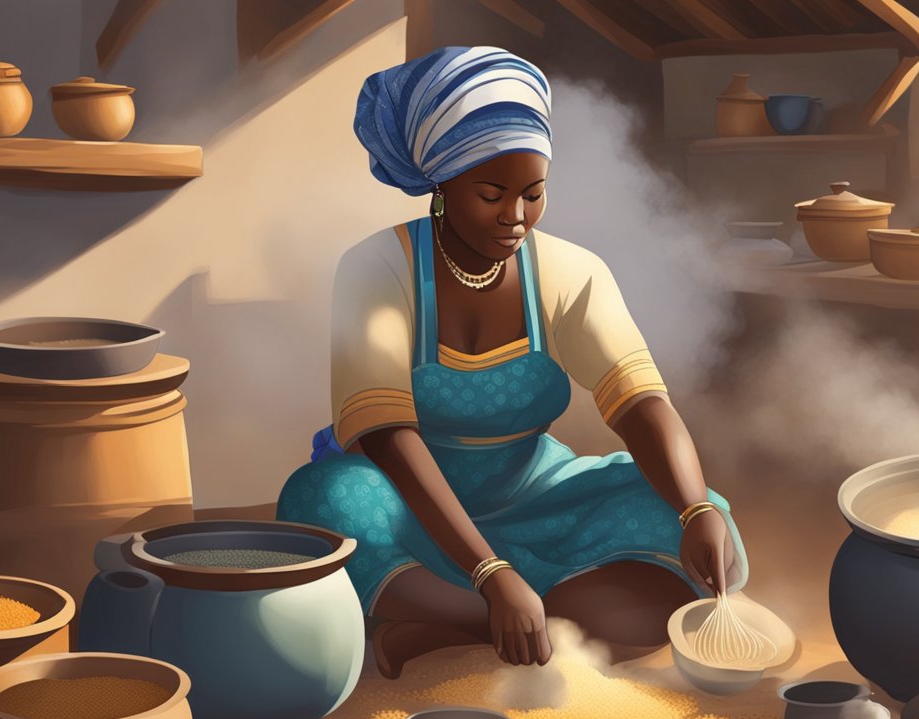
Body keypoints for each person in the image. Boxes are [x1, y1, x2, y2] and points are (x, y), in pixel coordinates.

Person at [277, 46, 747, 678]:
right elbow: (387, 437)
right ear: (441, 186)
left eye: (534, 193)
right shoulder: (376, 267)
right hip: (407, 502)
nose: (516, 217)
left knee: (699, 518)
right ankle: (497, 618)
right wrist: (491, 574)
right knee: (323, 500)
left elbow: (640, 404)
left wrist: (693, 510)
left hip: (535, 495)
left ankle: (447, 629)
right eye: (492, 194)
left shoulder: (569, 272)